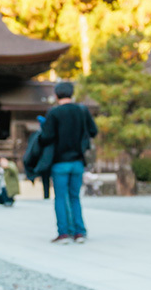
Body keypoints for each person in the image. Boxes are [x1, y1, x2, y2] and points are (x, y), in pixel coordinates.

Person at [39, 81, 97, 243]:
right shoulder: (82, 110)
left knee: (60, 197)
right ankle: (79, 232)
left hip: (59, 162)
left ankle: (63, 232)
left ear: (56, 95)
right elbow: (93, 131)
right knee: (75, 197)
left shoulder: (54, 113)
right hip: (78, 161)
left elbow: (46, 137)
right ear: (72, 94)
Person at [23, 116, 51, 199]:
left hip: (43, 158)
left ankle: (46, 194)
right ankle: (46, 194)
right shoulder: (39, 134)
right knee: (46, 177)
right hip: (46, 158)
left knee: (45, 177)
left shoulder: (38, 134)